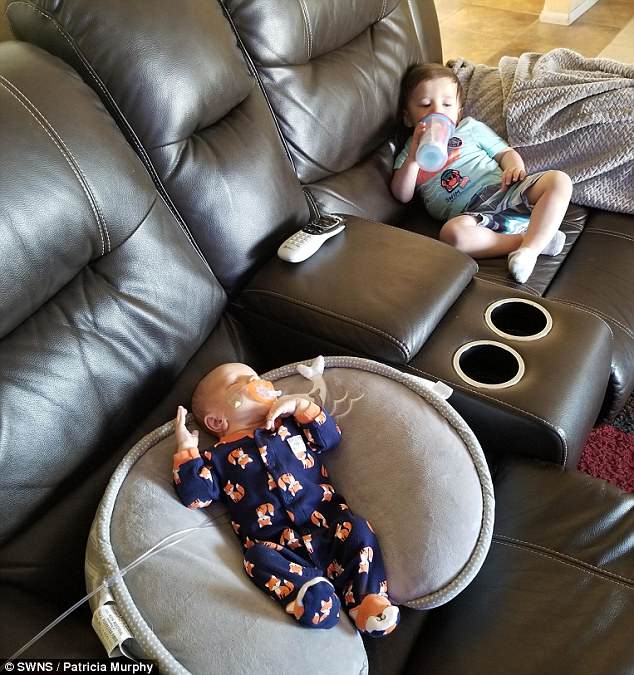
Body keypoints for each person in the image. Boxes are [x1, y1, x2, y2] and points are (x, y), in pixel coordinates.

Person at [172, 362, 400, 637]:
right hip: (279, 546)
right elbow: (196, 497)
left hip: (329, 524)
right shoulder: (216, 458)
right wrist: (187, 451)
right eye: (238, 381)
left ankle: (368, 602)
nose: (254, 381)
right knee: (257, 559)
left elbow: (330, 439)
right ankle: (312, 595)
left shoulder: (289, 425)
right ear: (217, 421)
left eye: (254, 376)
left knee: (359, 530)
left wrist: (302, 407)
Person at [391, 63, 573, 284]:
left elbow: (505, 153)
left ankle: (530, 250)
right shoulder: (409, 152)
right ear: (407, 117)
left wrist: (514, 168)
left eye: (447, 104)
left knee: (559, 180)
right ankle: (528, 242)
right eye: (425, 104)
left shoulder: (469, 128)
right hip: (472, 216)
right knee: (451, 235)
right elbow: (402, 195)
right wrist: (413, 159)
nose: (437, 112)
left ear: (458, 113)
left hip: (505, 191)